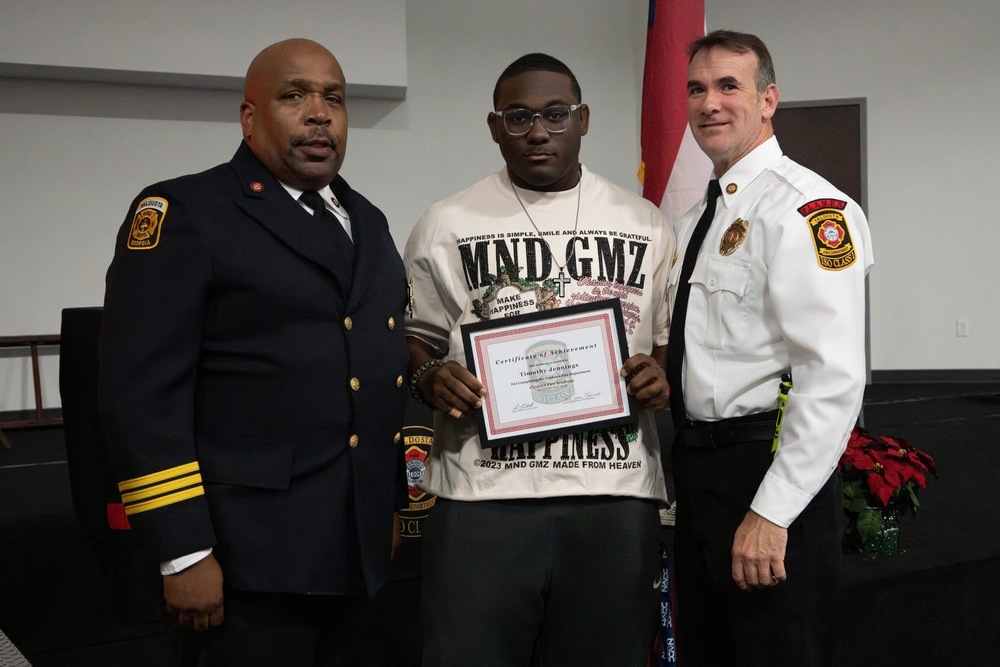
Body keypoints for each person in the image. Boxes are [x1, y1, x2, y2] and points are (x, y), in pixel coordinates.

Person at [98, 38, 409, 666]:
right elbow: (141, 398)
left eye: (334, 99)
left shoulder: (366, 220)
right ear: (249, 117)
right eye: (294, 96)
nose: (319, 113)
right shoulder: (188, 212)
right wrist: (182, 549)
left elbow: (372, 370)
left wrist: (390, 507)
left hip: (357, 553)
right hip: (247, 562)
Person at [404, 53, 676, 666]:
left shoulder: (646, 223)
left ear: (582, 119)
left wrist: (658, 377)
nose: (537, 131)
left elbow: (662, 343)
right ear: (494, 126)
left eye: (555, 115)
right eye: (518, 116)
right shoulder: (445, 222)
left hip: (613, 492)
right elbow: (415, 336)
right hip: (481, 495)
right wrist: (429, 376)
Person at [667, 30, 873, 666]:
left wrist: (773, 511)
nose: (710, 103)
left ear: (768, 100)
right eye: (697, 89)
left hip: (768, 471)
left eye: (730, 86)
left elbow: (831, 376)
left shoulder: (807, 211)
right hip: (700, 475)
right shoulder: (696, 220)